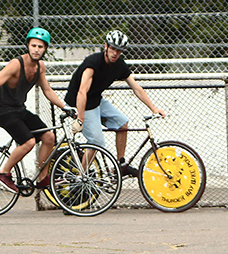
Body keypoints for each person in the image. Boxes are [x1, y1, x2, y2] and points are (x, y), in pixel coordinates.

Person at [0, 27, 76, 193]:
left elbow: (47, 90)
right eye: (34, 46)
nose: (36, 50)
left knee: (49, 136)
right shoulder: (16, 64)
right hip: (3, 112)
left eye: (40, 47)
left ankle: (42, 178)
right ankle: (3, 173)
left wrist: (65, 107)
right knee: (29, 142)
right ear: (28, 46)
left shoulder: (40, 67)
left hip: (19, 110)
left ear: (45, 49)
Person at [64, 30, 165, 176]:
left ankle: (120, 165)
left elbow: (136, 87)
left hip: (95, 100)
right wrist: (80, 118)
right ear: (106, 46)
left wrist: (153, 108)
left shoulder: (119, 65)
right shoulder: (93, 63)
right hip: (79, 103)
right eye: (112, 49)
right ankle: (81, 177)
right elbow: (82, 92)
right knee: (96, 142)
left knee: (122, 123)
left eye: (119, 51)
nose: (115, 53)